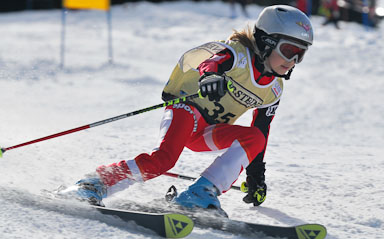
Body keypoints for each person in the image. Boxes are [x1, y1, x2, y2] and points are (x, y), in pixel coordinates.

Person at [61, 5, 314, 214]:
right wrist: (209, 78)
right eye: (289, 50)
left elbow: (261, 132)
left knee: (255, 137)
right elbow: (211, 63)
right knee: (163, 161)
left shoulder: (274, 90)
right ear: (267, 42)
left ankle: (200, 194)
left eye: (300, 55)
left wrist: (256, 175)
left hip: (208, 131)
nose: (293, 61)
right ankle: (91, 184)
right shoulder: (237, 54)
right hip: (187, 109)